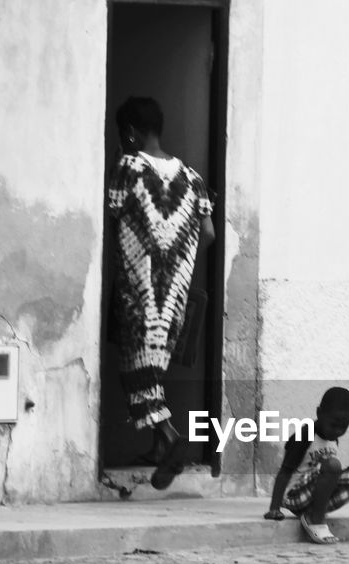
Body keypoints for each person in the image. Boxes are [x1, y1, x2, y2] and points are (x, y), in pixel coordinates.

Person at [106, 96, 215, 490]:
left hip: (139, 293)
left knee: (134, 371)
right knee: (153, 369)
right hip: (174, 298)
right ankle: (158, 448)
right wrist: (176, 262)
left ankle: (169, 435)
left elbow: (113, 214)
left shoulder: (128, 167)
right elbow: (208, 235)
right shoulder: (192, 177)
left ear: (130, 132)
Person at [264, 387, 349, 545]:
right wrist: (274, 508)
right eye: (333, 425)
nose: (337, 431)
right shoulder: (305, 434)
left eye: (344, 428)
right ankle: (315, 520)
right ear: (319, 413)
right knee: (333, 465)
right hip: (296, 497)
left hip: (317, 496)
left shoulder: (333, 438)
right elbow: (285, 471)